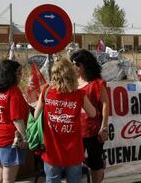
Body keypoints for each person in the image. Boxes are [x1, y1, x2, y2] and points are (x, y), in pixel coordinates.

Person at [34, 57, 96, 183]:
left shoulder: (46, 90)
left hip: (51, 150)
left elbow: (36, 116)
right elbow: (93, 113)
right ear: (72, 74)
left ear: (54, 74)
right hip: (73, 151)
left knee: (51, 180)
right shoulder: (79, 94)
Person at [70, 50, 109, 183]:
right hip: (74, 131)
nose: (73, 67)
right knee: (73, 162)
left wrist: (104, 127)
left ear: (85, 65)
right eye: (72, 64)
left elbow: (105, 105)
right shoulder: (71, 82)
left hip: (93, 130)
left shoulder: (97, 83)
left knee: (95, 161)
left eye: (76, 64)